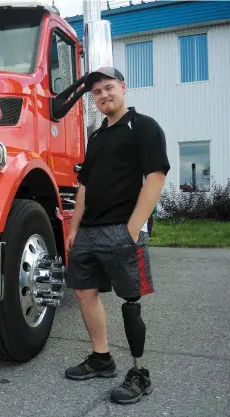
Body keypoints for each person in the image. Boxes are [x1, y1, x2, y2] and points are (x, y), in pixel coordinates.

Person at [64, 67, 170, 405]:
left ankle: (140, 372)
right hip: (89, 233)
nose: (103, 96)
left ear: (123, 87)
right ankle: (101, 358)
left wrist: (134, 227)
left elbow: (155, 177)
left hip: (121, 230)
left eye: (109, 88)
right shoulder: (95, 136)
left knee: (131, 301)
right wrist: (73, 228)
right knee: (84, 293)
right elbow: (85, 185)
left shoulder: (143, 127)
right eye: (96, 93)